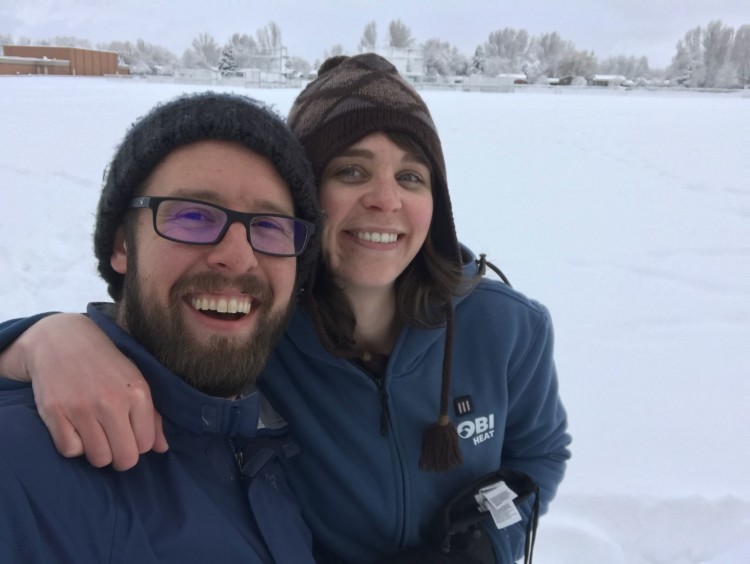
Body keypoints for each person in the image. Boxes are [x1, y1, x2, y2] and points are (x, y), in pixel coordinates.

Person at [0, 54, 571, 563]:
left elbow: (540, 453)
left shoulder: (508, 326)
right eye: (350, 170)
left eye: (411, 176)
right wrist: (44, 338)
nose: (385, 198)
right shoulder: (257, 332)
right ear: (308, 205)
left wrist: (485, 544)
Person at [0, 92, 321, 563]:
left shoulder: (271, 441)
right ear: (122, 247)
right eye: (193, 216)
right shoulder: (22, 462)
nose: (237, 255)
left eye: (271, 227)